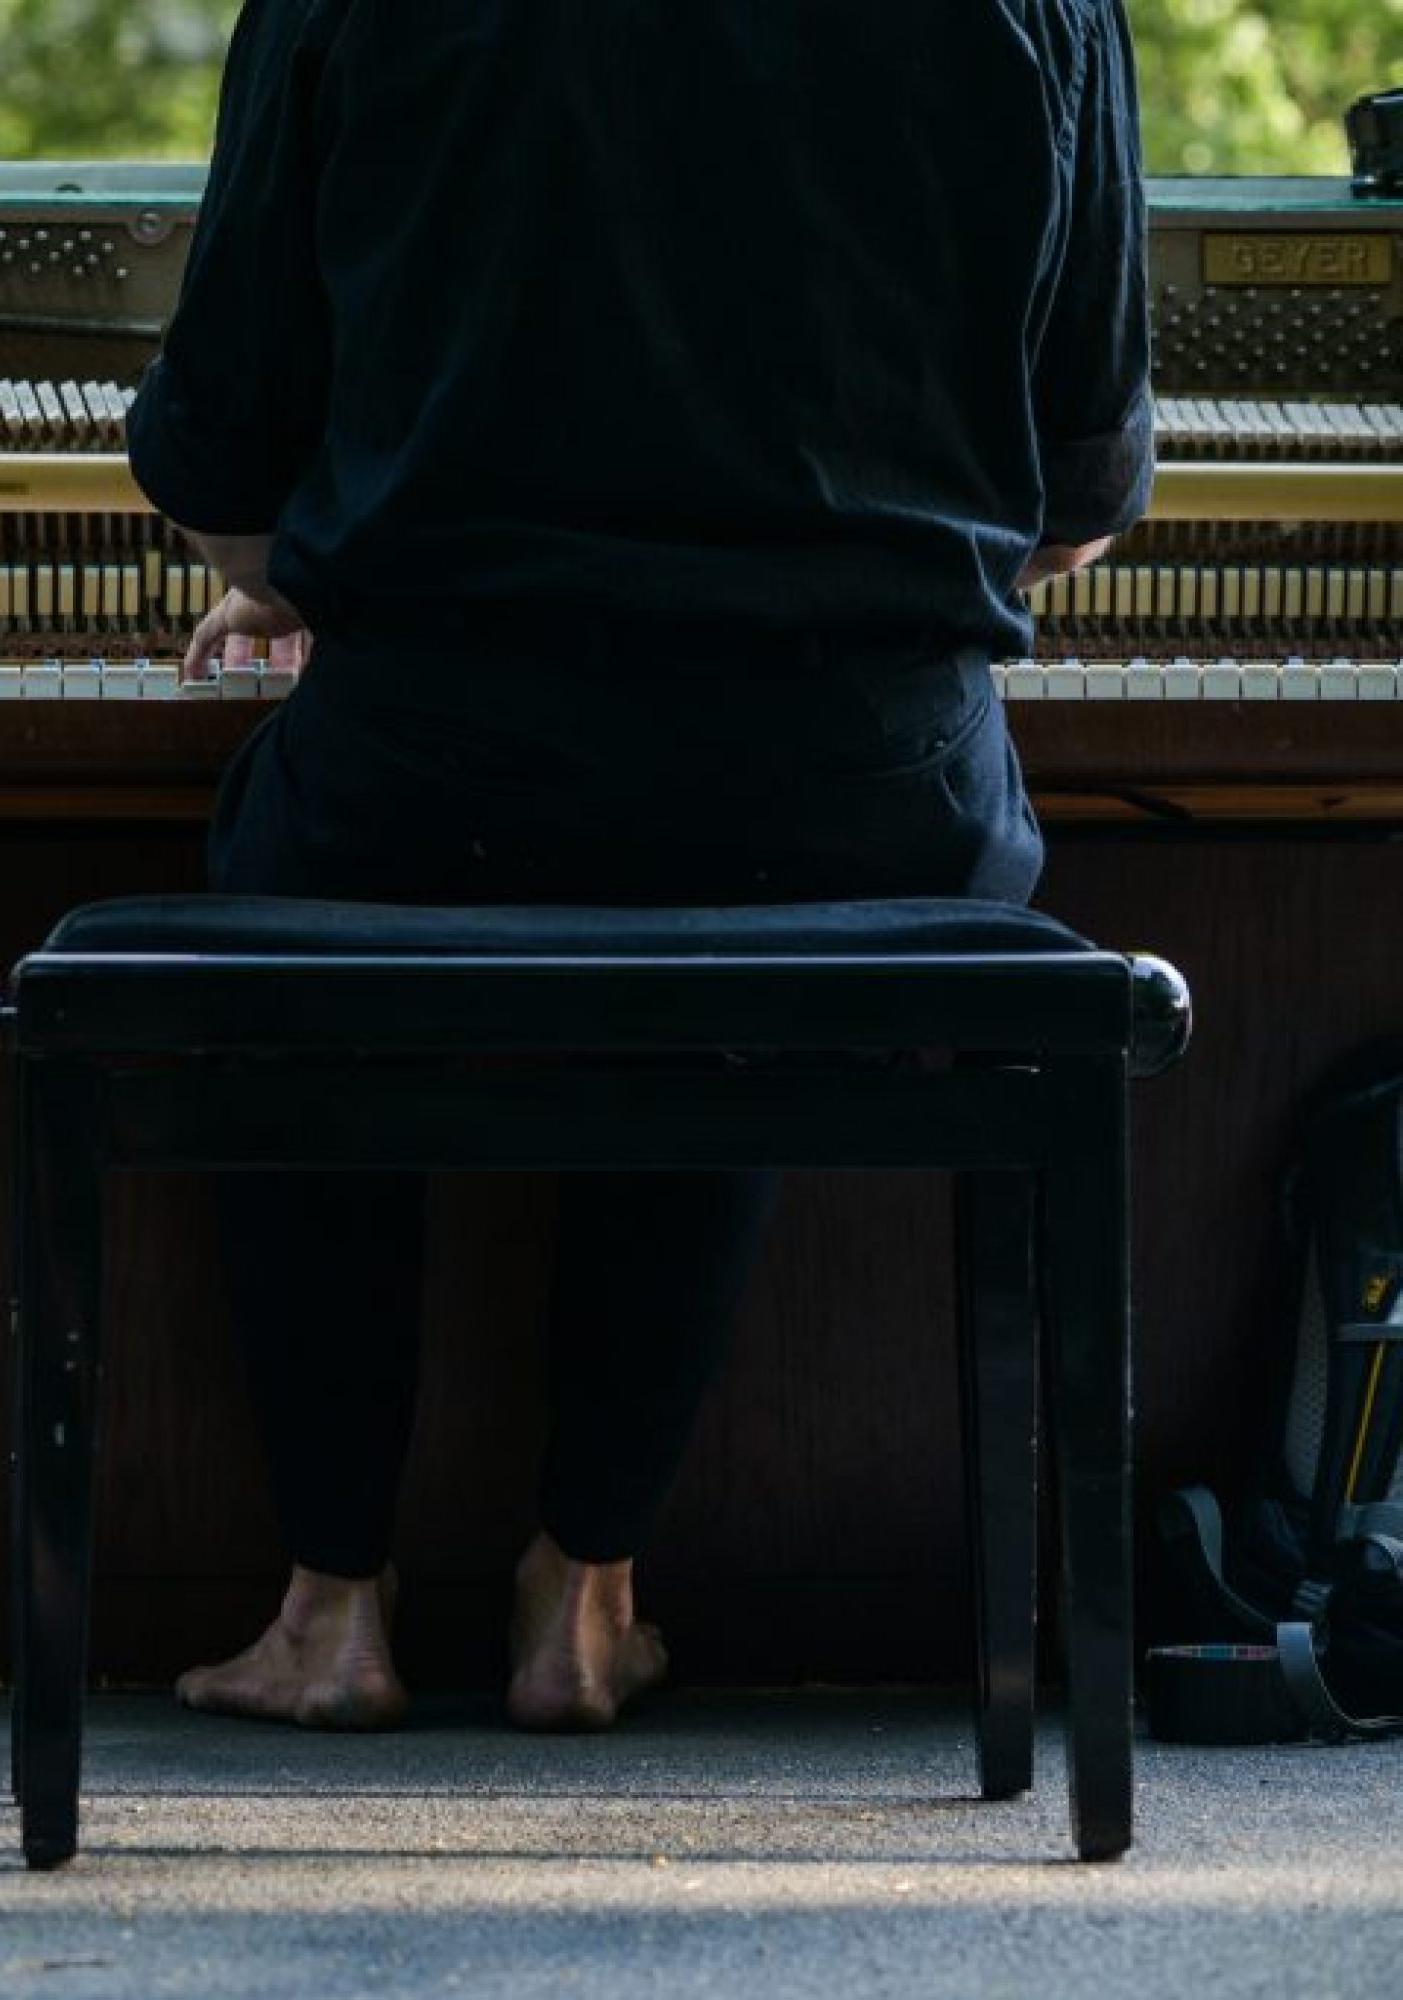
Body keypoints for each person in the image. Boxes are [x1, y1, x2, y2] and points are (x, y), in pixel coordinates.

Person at [127, 0, 1150, 1732]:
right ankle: (584, 1589)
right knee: (742, 919)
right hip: (865, 785)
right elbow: (1075, 495)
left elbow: (224, 462)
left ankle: (334, 1606)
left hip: (439, 771)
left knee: (285, 915)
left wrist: (319, 574)